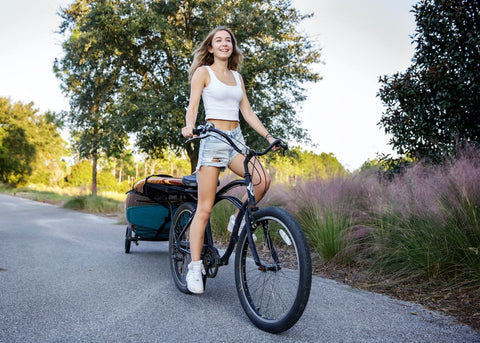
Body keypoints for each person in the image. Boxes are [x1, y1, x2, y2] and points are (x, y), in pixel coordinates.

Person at [181, 26, 278, 294]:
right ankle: (195, 267)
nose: (224, 44)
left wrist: (269, 137)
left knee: (262, 180)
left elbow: (246, 111)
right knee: (205, 208)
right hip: (212, 138)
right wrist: (190, 126)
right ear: (211, 48)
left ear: (232, 47)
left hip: (236, 139)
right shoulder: (204, 72)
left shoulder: (237, 76)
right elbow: (193, 105)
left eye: (228, 40)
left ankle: (236, 219)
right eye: (218, 40)